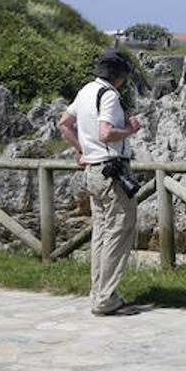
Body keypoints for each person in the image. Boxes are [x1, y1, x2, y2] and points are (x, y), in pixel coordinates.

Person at [58, 49, 142, 316]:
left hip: (94, 172)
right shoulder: (109, 95)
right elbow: (106, 133)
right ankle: (106, 299)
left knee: (102, 233)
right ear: (118, 76)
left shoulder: (85, 92)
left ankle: (98, 292)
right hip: (112, 171)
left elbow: (64, 123)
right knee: (119, 230)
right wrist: (131, 129)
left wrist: (83, 150)